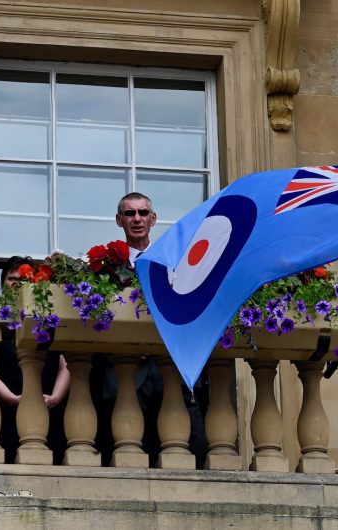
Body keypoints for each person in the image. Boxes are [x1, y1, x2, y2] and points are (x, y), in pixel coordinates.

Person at [90, 193, 208, 467]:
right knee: (126, 452)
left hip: (171, 364)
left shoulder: (174, 259)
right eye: (130, 214)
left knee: (191, 447)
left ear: (153, 219)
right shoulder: (104, 266)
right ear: (119, 220)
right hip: (127, 369)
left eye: (143, 213)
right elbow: (96, 317)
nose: (137, 219)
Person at [0, 256, 70, 464]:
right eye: (12, 278)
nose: (17, 283)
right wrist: (11, 398)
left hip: (50, 410)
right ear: (2, 285)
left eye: (24, 279)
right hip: (7, 411)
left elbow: (66, 366)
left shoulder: (49, 319)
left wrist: (55, 397)